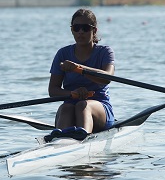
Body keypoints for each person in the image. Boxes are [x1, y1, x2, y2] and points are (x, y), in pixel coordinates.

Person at [46, 8, 115, 141]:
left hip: (99, 107)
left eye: (85, 28)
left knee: (82, 105)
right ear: (72, 30)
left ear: (94, 30)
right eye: (76, 28)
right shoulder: (63, 54)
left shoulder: (105, 52)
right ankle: (59, 143)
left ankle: (84, 139)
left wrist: (78, 69)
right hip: (70, 107)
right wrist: (72, 94)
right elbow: (53, 90)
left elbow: (107, 78)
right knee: (66, 107)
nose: (81, 32)